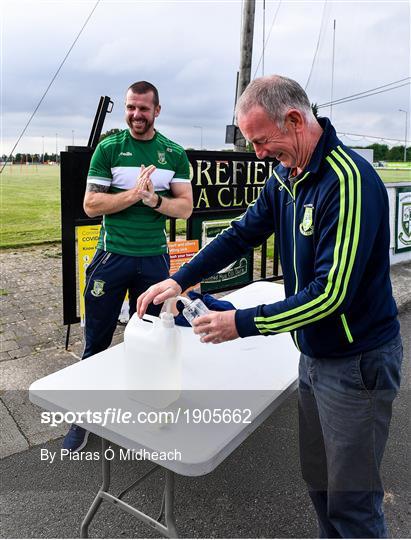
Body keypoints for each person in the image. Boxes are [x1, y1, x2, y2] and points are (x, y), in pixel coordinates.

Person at [137, 75, 403, 538]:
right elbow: (242, 233)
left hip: (358, 363)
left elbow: (329, 294)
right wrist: (178, 278)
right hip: (315, 357)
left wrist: (240, 323)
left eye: (262, 141)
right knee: (320, 485)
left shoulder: (349, 182)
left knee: (353, 503)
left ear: (296, 121)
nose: (258, 154)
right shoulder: (286, 173)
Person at [63, 81, 193, 451]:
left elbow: (184, 207)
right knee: (97, 342)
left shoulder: (172, 153)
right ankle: (82, 420)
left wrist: (153, 201)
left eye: (144, 109)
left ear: (157, 110)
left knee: (154, 339)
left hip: (153, 260)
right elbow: (91, 205)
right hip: (111, 258)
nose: (137, 115)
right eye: (131, 108)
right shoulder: (109, 148)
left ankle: (148, 413)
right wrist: (134, 194)